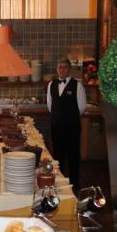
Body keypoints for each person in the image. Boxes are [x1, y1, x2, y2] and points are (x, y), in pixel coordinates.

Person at [47, 58, 87, 189]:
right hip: (56, 126)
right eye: (60, 67)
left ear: (69, 69)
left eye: (65, 67)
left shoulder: (77, 86)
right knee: (58, 156)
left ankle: (75, 184)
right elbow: (50, 106)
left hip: (72, 127)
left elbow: (82, 107)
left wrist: (69, 117)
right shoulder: (51, 84)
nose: (62, 69)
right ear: (57, 69)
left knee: (73, 156)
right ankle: (59, 182)